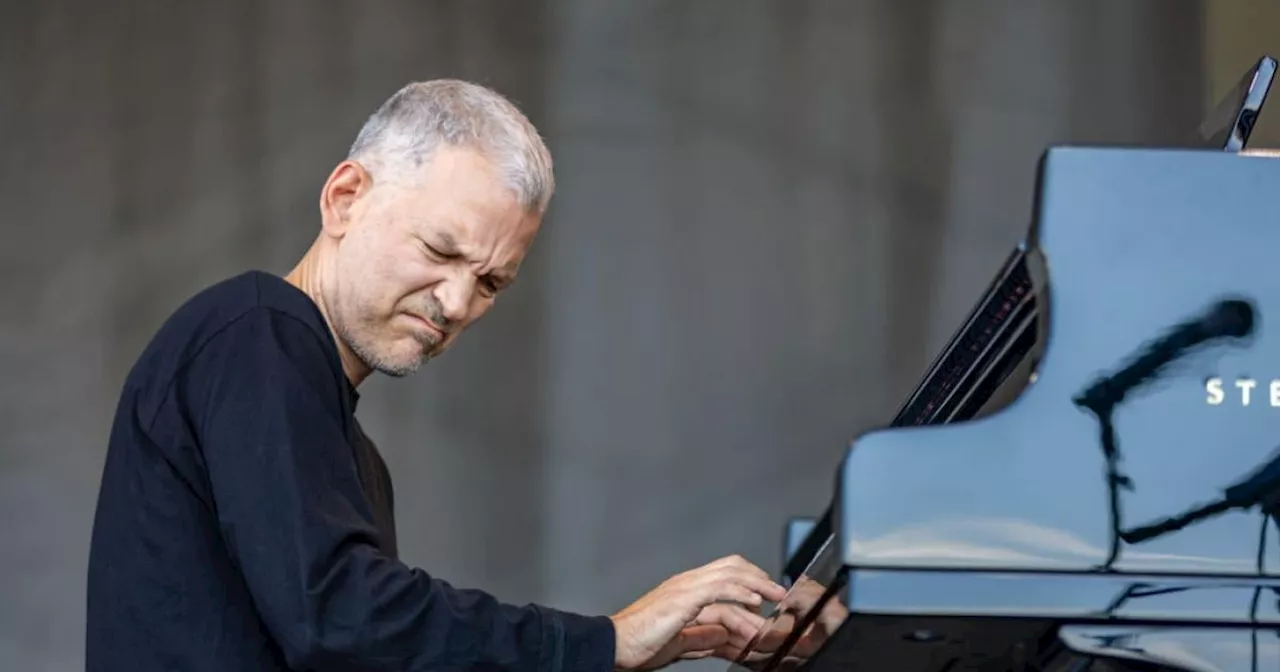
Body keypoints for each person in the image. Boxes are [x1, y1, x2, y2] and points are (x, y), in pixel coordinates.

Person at [85, 79, 787, 672]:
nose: (456, 303)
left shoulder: (355, 455)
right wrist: (608, 641)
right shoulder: (262, 329)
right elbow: (342, 619)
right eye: (440, 250)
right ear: (345, 198)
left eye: (490, 283)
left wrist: (641, 647)